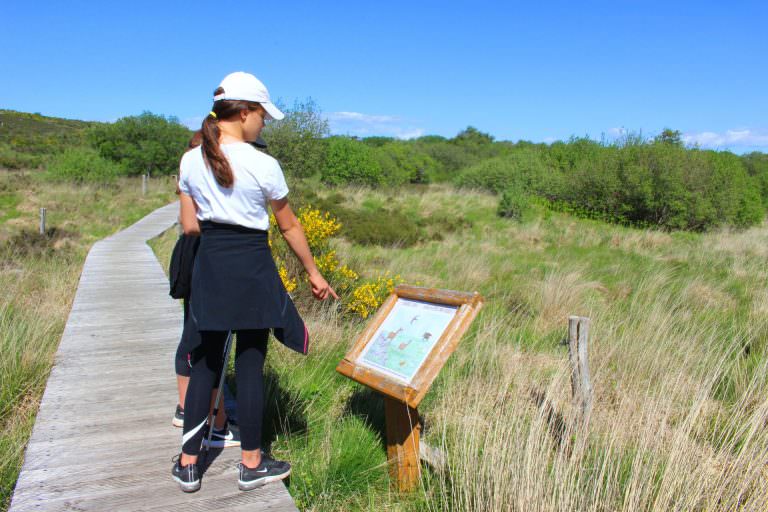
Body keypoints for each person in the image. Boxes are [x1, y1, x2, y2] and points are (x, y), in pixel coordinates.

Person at [172, 71, 337, 493]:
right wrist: (314, 274)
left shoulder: (191, 159)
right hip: (252, 266)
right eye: (262, 114)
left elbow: (189, 226)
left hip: (210, 263)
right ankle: (251, 463)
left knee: (206, 361)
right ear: (243, 112)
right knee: (249, 363)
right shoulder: (264, 164)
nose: (264, 122)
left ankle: (189, 464)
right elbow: (289, 226)